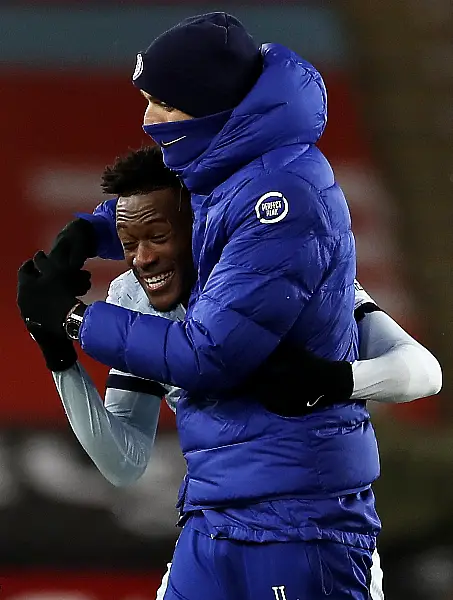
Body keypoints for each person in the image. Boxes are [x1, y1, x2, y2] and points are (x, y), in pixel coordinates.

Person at [16, 13, 438, 599]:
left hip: (302, 525)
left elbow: (208, 355)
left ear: (209, 107)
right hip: (213, 519)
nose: (147, 119)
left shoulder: (283, 200)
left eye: (164, 103)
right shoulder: (208, 207)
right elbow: (175, 212)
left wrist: (72, 319)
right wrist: (85, 242)